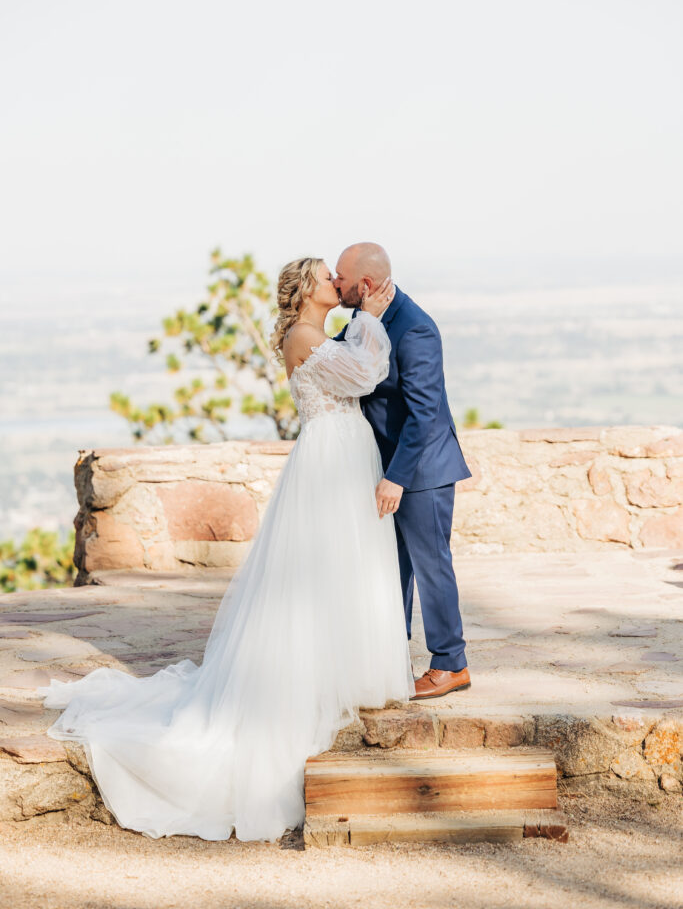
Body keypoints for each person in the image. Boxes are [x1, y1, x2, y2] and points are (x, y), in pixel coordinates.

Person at [36, 257, 415, 843]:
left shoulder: (317, 330)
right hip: (328, 459)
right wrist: (373, 315)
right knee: (319, 569)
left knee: (348, 564)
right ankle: (309, 679)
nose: (333, 284)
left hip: (345, 453)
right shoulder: (306, 334)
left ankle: (347, 671)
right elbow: (365, 375)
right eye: (324, 277)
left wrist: (362, 317)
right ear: (307, 291)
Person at [333, 243, 473, 700]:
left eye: (340, 277)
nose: (336, 284)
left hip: (421, 471)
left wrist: (397, 477)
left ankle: (451, 665)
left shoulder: (415, 329)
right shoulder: (366, 316)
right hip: (387, 466)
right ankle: (391, 658)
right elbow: (335, 356)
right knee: (393, 569)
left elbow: (424, 414)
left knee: (432, 567)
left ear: (366, 285)